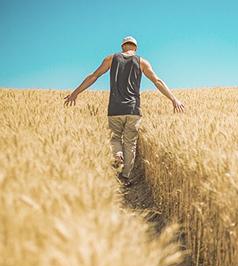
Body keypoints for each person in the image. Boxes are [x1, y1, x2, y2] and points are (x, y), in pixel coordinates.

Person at [64, 36, 184, 186]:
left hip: (115, 108)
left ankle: (117, 154)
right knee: (130, 143)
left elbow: (94, 76)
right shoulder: (142, 62)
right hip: (133, 110)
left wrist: (75, 93)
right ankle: (125, 176)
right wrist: (174, 99)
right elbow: (157, 81)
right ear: (135, 48)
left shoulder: (110, 59)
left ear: (122, 47)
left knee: (115, 139)